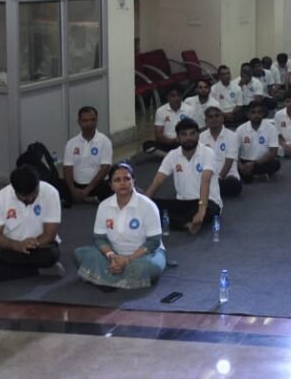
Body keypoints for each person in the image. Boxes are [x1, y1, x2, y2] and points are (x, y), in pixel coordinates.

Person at [74, 162, 166, 290]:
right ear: (111, 186)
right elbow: (99, 238)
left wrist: (127, 259)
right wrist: (111, 256)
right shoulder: (104, 206)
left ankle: (103, 277)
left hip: (144, 255)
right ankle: (120, 276)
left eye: (127, 179)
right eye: (117, 180)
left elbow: (153, 242)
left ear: (133, 181)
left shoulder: (148, 206)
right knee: (79, 254)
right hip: (114, 253)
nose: (122, 183)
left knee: (149, 267)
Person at [0, 165, 64, 282]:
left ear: (38, 185)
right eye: (25, 197)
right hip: (10, 247)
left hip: (40, 247)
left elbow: (50, 234)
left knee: (50, 256)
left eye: (34, 194)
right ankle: (38, 270)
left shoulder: (51, 193)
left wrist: (31, 245)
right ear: (14, 190)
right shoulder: (1, 197)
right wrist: (16, 245)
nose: (30, 199)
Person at [145, 118, 221, 234]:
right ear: (178, 138)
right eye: (184, 134)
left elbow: (205, 181)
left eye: (192, 134)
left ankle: (181, 221)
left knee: (211, 211)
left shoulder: (208, 153)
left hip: (207, 202)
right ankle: (187, 224)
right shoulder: (172, 155)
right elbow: (158, 181)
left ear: (198, 135)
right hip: (182, 202)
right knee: (152, 206)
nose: (188, 138)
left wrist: (201, 210)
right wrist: (142, 203)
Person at [63, 106, 112, 204]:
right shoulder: (71, 143)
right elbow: (67, 168)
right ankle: (87, 198)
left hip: (97, 185)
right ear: (79, 122)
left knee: (109, 187)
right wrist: (72, 189)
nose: (89, 124)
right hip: (77, 185)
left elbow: (105, 169)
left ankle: (82, 198)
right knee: (58, 185)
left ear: (96, 120)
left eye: (92, 120)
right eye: (85, 121)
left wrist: (87, 190)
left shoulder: (105, 141)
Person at [199, 105, 242, 198]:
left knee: (234, 185)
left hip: (227, 176)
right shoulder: (201, 137)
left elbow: (229, 162)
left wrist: (218, 179)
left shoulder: (233, 136)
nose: (214, 119)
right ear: (206, 121)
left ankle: (209, 191)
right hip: (207, 175)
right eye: (210, 117)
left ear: (222, 118)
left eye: (217, 116)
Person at [235, 100, 281, 182]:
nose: (256, 115)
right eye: (253, 112)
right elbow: (234, 151)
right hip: (245, 161)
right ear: (248, 114)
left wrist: (254, 163)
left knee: (275, 163)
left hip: (262, 162)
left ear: (263, 114)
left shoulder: (271, 128)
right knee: (232, 164)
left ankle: (250, 175)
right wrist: (240, 166)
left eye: (259, 112)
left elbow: (273, 152)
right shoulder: (240, 129)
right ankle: (257, 176)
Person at [152, 87, 187, 155]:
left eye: (178, 95)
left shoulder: (190, 110)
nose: (176, 98)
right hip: (167, 144)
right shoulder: (160, 111)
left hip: (184, 143)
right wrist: (172, 141)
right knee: (148, 146)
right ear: (168, 97)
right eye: (173, 96)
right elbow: (158, 135)